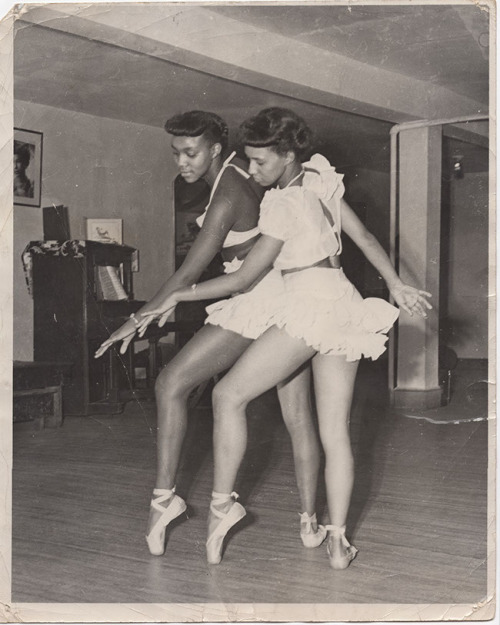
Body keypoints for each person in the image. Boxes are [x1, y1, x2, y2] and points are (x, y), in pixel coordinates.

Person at [141, 107, 432, 568]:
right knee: (335, 431)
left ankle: (222, 505)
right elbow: (364, 238)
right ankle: (336, 542)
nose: (251, 171)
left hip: (308, 307)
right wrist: (395, 285)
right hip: (345, 303)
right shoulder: (320, 179)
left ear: (289, 154)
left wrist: (178, 296)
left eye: (260, 163)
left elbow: (243, 280)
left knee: (228, 395)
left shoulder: (280, 203)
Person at [95, 111, 325, 557]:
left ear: (216, 149)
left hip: (259, 295)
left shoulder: (230, 190)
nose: (182, 162)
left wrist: (137, 320)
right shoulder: (238, 171)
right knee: (296, 413)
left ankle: (166, 500)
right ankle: (308, 523)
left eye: (191, 152)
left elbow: (188, 272)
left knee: (172, 382)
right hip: (272, 290)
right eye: (176, 153)